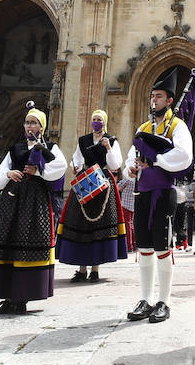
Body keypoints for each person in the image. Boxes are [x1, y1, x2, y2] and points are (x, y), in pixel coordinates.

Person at [0, 102, 67, 313]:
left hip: (34, 201)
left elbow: (60, 168)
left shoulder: (49, 148)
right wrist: (9, 174)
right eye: (27, 122)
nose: (29, 126)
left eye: (33, 123)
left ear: (41, 127)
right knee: (7, 242)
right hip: (12, 200)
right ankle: (7, 294)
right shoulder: (16, 148)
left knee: (26, 243)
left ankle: (22, 296)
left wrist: (38, 171)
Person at [122, 67, 194, 324]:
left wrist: (157, 159)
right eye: (153, 96)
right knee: (144, 248)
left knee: (163, 247)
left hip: (164, 193)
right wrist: (131, 168)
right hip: (142, 192)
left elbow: (184, 155)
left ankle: (164, 301)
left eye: (160, 96)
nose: (155, 100)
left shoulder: (177, 126)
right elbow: (130, 158)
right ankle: (146, 299)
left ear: (170, 100)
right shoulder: (144, 127)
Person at [57, 109, 126, 283]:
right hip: (85, 181)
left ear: (104, 122)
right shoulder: (83, 140)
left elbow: (116, 164)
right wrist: (76, 167)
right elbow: (76, 159)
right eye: (94, 119)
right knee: (81, 223)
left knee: (100, 224)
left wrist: (108, 148)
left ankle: (95, 269)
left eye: (99, 120)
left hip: (104, 183)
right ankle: (81, 269)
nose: (96, 122)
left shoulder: (111, 140)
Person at [118, 170, 137, 254]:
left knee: (127, 225)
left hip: (125, 205)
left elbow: (118, 187)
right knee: (132, 225)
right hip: (133, 205)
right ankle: (134, 244)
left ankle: (129, 246)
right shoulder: (137, 180)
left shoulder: (127, 180)